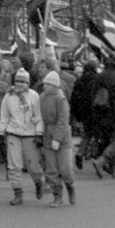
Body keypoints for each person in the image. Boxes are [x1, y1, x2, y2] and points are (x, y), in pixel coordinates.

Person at [0, 68, 44, 206]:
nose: (19, 84)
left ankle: (38, 182)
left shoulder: (34, 96)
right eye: (17, 81)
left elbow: (38, 116)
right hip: (13, 133)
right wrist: (1, 131)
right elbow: (4, 115)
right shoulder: (9, 96)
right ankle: (18, 193)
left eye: (23, 82)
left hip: (30, 135)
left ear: (28, 83)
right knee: (14, 165)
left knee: (33, 165)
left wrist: (39, 133)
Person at [39, 71, 75, 207]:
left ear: (55, 86)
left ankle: (70, 187)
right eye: (44, 84)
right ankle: (57, 196)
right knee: (51, 169)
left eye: (48, 84)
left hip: (62, 138)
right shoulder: (42, 97)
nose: (45, 86)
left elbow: (63, 121)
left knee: (65, 169)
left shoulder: (61, 99)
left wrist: (57, 139)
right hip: (47, 136)